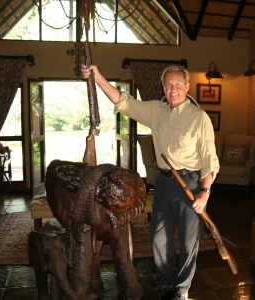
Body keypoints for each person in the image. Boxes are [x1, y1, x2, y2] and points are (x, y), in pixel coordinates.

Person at [81, 64, 220, 300]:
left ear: (186, 87)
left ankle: (182, 289)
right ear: (163, 88)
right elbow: (123, 101)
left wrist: (204, 192)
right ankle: (168, 281)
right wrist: (96, 77)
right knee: (159, 236)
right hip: (163, 183)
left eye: (177, 84)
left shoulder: (199, 118)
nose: (172, 89)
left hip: (191, 182)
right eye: (168, 85)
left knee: (189, 240)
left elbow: (210, 159)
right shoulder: (156, 110)